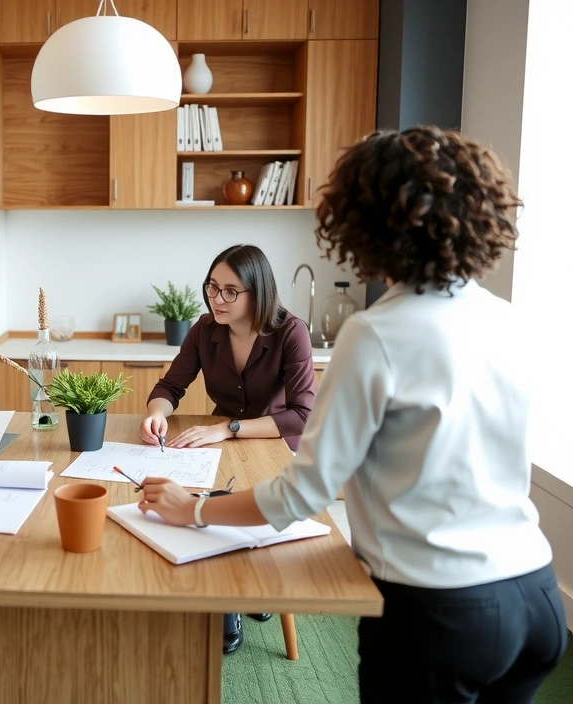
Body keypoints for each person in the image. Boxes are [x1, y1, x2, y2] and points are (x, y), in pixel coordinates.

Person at [137, 126, 568, 703]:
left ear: (364, 224)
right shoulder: (505, 319)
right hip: (536, 596)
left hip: (441, 610)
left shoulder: (376, 333)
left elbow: (303, 494)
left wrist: (193, 511)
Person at [139, 243, 316, 654]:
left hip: (274, 443)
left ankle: (237, 595)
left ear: (258, 293)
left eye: (230, 291)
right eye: (212, 287)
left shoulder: (292, 332)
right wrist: (157, 413)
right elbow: (169, 387)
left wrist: (229, 429)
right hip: (219, 441)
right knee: (203, 493)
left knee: (230, 496)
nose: (217, 299)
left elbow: (302, 415)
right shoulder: (204, 329)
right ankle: (229, 592)